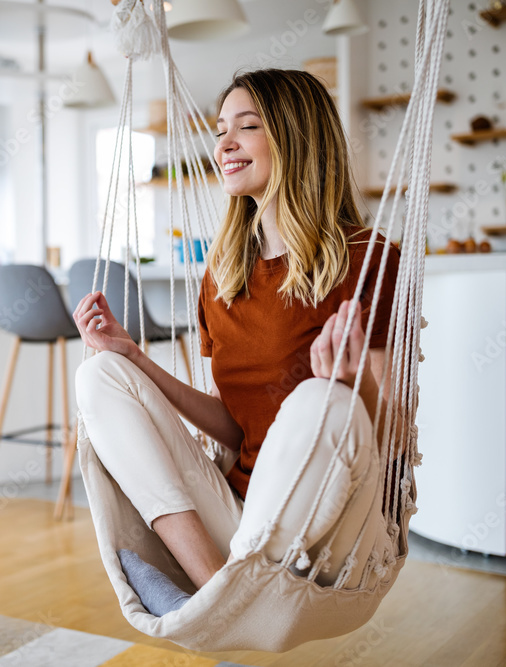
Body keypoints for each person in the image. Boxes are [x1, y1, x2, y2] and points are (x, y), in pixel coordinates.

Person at [72, 69, 401, 617]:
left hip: (328, 531)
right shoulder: (222, 276)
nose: (222, 144)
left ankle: (229, 595)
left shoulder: (366, 258)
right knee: (98, 373)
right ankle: (214, 591)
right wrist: (132, 357)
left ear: (296, 137)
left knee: (320, 401)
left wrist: (348, 385)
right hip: (238, 522)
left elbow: (387, 431)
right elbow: (234, 424)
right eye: (220, 128)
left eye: (246, 127)